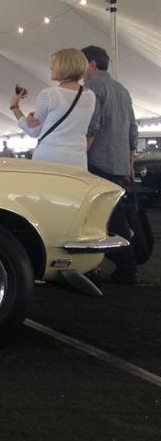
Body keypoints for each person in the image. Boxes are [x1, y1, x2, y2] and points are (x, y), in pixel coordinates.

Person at [83, 44, 139, 284]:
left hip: (98, 159)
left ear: (92, 64)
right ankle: (126, 267)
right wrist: (129, 160)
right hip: (117, 161)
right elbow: (133, 128)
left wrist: (81, 151)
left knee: (98, 216)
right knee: (114, 215)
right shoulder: (122, 89)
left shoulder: (93, 87)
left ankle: (122, 266)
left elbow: (93, 124)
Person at [9, 48, 95, 168]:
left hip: (49, 159)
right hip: (77, 161)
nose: (50, 68)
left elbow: (34, 131)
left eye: (54, 64)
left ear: (64, 66)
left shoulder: (49, 94)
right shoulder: (90, 95)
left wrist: (15, 107)